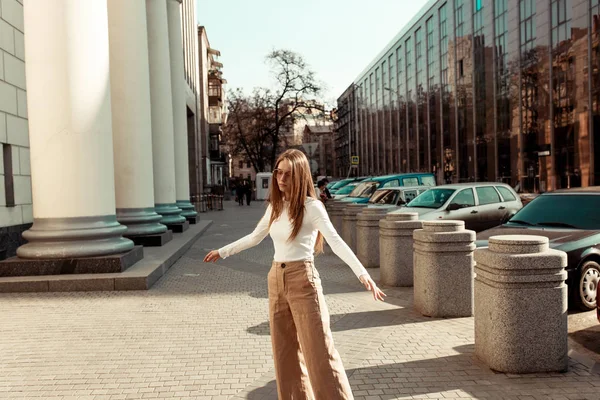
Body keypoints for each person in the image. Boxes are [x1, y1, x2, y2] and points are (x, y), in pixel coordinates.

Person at [204, 149, 385, 399]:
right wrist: (222, 252)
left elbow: (336, 241)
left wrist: (362, 274)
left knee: (319, 351)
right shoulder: (275, 207)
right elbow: (255, 237)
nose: (281, 179)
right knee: (284, 353)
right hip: (276, 279)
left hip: (303, 280)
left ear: (300, 176)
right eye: (279, 172)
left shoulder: (312, 207)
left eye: (287, 174)